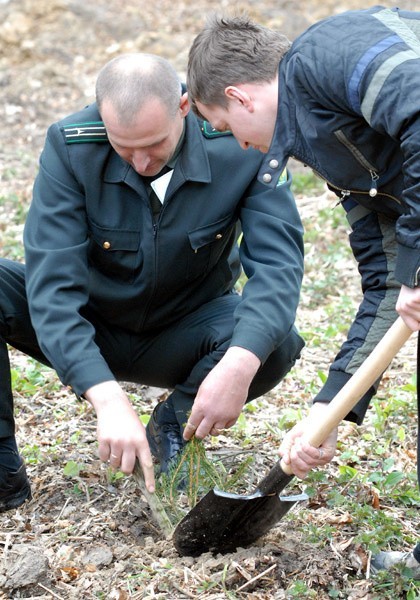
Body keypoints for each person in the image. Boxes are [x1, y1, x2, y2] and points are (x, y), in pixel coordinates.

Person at [0, 53, 305, 513]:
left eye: (155, 144)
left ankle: (171, 423)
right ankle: (3, 469)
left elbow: (279, 270)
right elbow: (52, 287)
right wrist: (103, 395)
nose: (141, 162)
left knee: (273, 342)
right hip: (94, 322)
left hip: (186, 331)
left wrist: (240, 364)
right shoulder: (70, 145)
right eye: (124, 147)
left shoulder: (238, 144)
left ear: (184, 107)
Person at [186, 6, 420, 575]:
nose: (237, 146)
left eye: (222, 127)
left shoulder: (325, 57)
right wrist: (327, 410)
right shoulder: (325, 139)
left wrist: (417, 262)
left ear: (240, 98)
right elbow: (386, 283)